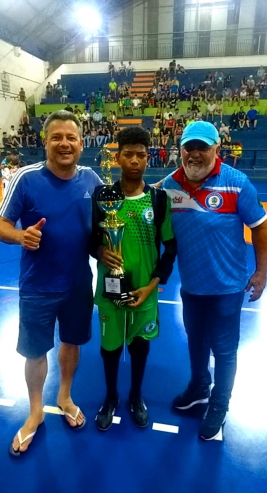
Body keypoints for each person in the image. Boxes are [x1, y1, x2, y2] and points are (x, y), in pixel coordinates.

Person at [0, 110, 103, 457]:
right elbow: (0, 227)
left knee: (72, 345)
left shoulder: (92, 181)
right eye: (56, 137)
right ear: (45, 142)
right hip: (38, 286)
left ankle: (65, 396)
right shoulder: (26, 179)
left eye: (71, 137)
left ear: (82, 144)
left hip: (77, 285)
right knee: (35, 351)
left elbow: (105, 228)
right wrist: (20, 236)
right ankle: (36, 410)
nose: (64, 144)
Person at [159, 121, 267, 440]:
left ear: (216, 150)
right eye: (189, 147)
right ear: (180, 150)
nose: (195, 154)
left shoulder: (237, 183)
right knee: (195, 339)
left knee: (223, 349)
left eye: (202, 147)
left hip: (227, 288)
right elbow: (144, 212)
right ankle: (199, 387)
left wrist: (261, 272)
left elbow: (261, 227)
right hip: (192, 287)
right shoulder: (169, 186)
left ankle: (220, 403)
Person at [89, 127, 177, 431]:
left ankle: (136, 396)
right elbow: (91, 240)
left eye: (141, 154)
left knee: (140, 346)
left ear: (148, 157)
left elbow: (170, 249)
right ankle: (111, 397)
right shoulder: (102, 196)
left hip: (145, 292)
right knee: (110, 347)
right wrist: (100, 250)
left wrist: (152, 285)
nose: (135, 160)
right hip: (109, 291)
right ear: (117, 157)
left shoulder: (159, 199)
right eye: (129, 154)